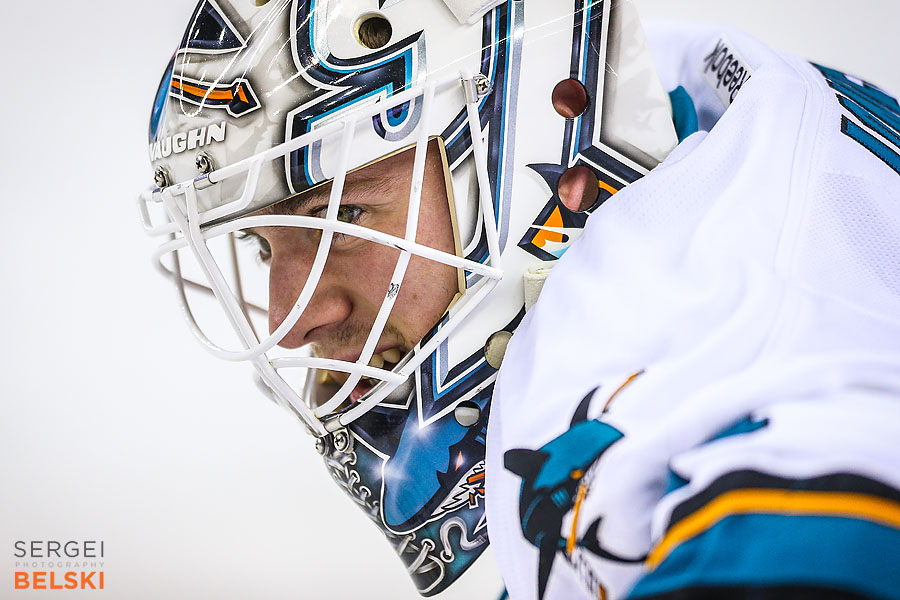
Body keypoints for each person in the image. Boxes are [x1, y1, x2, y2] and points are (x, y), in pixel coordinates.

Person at [139, 0, 900, 598]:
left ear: (539, 119)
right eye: (263, 246)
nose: (289, 321)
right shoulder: (695, 122)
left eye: (338, 216)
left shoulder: (729, 360)